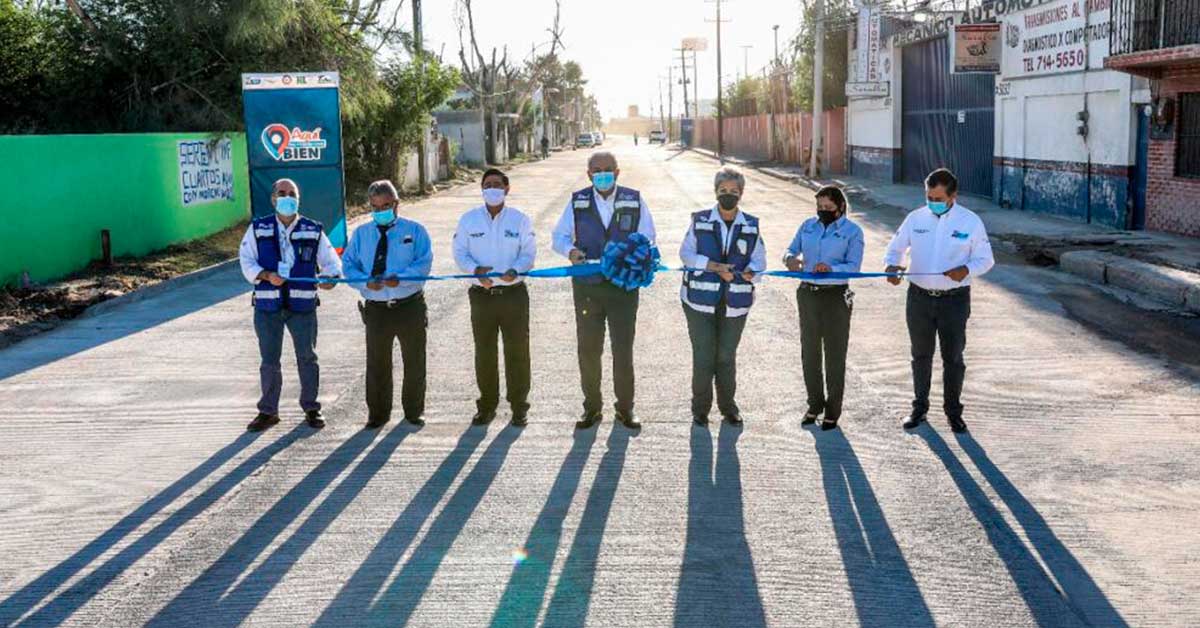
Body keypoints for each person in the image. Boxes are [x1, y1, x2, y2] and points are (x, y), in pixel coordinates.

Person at [884, 168, 994, 433]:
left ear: (953, 196)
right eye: (928, 197)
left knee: (953, 357)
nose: (932, 202)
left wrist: (965, 270)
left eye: (938, 198)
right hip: (919, 298)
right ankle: (919, 409)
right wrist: (892, 267)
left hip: (954, 301)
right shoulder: (915, 218)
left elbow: (986, 260)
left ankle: (953, 413)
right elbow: (895, 249)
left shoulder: (970, 222)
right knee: (920, 355)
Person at [553, 150, 657, 430]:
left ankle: (625, 409)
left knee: (623, 351)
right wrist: (570, 251)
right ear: (589, 175)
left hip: (623, 288)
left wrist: (631, 255)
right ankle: (592, 408)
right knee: (588, 350)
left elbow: (649, 236)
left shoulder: (634, 199)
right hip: (588, 289)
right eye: (596, 170)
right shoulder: (578, 201)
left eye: (607, 169)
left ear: (617, 172)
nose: (602, 174)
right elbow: (559, 236)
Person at [238, 178, 341, 432]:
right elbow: (246, 260)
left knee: (307, 358)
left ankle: (311, 408)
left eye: (292, 193)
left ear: (298, 198)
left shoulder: (313, 230)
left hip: (302, 307)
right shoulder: (258, 229)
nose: (287, 197)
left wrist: (330, 279)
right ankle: (268, 411)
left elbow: (331, 262)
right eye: (282, 193)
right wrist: (265, 275)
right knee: (269, 361)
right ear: (273, 199)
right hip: (267, 307)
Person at [342, 180, 434, 429]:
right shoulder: (361, 234)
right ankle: (378, 414)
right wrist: (364, 282)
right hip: (377, 309)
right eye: (375, 207)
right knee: (377, 363)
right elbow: (348, 266)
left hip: (409, 306)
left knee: (414, 361)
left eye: (385, 206)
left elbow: (424, 263)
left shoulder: (415, 231)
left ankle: (414, 411)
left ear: (396, 204)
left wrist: (401, 278)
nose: (380, 211)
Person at [679, 166, 766, 427]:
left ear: (741, 193)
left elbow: (759, 261)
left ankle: (729, 408)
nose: (728, 195)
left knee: (726, 356)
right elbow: (686, 254)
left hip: (735, 304)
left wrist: (750, 273)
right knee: (704, 356)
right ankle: (700, 410)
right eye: (723, 190)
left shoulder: (751, 225)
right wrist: (714, 267)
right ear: (715, 191)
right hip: (698, 302)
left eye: (734, 191)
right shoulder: (700, 220)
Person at [452, 168, 536, 427]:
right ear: (482, 189)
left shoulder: (520, 220)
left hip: (514, 296)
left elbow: (529, 253)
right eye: (487, 185)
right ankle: (487, 406)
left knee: (517, 351)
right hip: (482, 297)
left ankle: (519, 407)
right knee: (484, 352)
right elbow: (460, 253)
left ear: (507, 188)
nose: (492, 189)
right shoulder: (469, 220)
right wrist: (475, 271)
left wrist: (516, 270)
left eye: (497, 184)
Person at [783, 185, 864, 431]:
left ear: (840, 207)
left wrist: (832, 269)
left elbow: (854, 266)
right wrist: (790, 259)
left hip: (835, 297)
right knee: (810, 353)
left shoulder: (853, 232)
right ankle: (814, 404)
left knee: (834, 355)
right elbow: (790, 249)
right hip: (808, 294)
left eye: (828, 207)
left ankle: (833, 409)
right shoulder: (808, 226)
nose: (823, 211)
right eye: (819, 207)